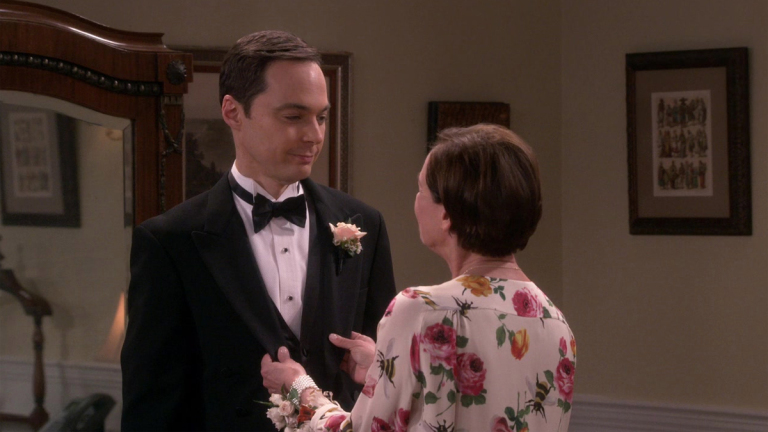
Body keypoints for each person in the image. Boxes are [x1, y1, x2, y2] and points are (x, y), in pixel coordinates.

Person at [121, 30, 396, 431]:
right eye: (293, 117)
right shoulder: (169, 241)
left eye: (321, 117)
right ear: (233, 112)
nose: (314, 135)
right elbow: (151, 410)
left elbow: (391, 381)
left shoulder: (365, 223)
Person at [262, 124, 576, 431]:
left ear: (446, 214)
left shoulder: (423, 310)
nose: (415, 201)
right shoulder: (556, 324)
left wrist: (299, 388)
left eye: (421, 189)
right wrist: (384, 369)